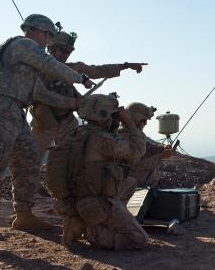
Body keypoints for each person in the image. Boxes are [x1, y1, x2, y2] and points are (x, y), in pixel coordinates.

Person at [0, 14, 93, 242]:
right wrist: (80, 77)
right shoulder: (23, 45)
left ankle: (23, 214)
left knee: (28, 162)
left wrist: (72, 103)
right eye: (49, 37)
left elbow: (40, 93)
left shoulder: (26, 63)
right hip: (2, 108)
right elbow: (50, 64)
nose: (49, 43)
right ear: (41, 32)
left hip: (15, 112)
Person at [32, 29, 147, 162]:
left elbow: (97, 70)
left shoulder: (73, 68)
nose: (66, 54)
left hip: (67, 123)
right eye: (63, 50)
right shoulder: (38, 70)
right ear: (51, 48)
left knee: (77, 157)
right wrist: (72, 101)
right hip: (43, 123)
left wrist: (126, 66)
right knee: (30, 162)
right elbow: (39, 95)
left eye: (69, 51)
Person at [53, 94, 149, 249]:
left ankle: (81, 220)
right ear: (104, 116)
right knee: (139, 239)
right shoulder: (102, 140)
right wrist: (130, 123)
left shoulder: (76, 134)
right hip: (97, 204)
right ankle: (89, 229)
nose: (115, 119)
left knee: (130, 183)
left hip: (74, 199)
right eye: (113, 115)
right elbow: (138, 149)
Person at [121, 102, 175, 203]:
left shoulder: (136, 134)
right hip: (127, 183)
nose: (146, 123)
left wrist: (162, 148)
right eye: (144, 120)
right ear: (135, 120)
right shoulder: (125, 137)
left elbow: (149, 145)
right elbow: (136, 166)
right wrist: (161, 156)